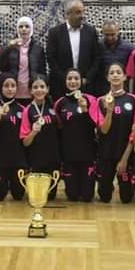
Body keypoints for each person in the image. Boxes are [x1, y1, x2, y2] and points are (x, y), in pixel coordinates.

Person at [95, 62, 135, 203]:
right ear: (107, 78)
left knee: (126, 198)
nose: (115, 75)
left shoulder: (133, 100)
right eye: (112, 73)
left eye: (118, 72)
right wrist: (109, 111)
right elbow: (104, 130)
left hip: (125, 152)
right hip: (105, 153)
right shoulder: (100, 101)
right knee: (104, 197)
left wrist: (124, 159)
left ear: (125, 77)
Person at [54, 68, 99, 202]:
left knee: (87, 197)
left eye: (76, 78)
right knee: (72, 196)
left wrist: (85, 110)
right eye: (70, 79)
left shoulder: (91, 99)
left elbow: (95, 125)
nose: (73, 81)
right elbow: (59, 127)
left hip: (87, 153)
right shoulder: (60, 103)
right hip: (69, 153)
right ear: (65, 81)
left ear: (81, 81)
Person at [46, 0, 101, 98]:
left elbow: (97, 57)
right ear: (68, 14)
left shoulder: (91, 32)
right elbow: (51, 59)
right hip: (61, 86)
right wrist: (66, 79)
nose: (82, 15)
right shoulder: (55, 33)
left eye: (83, 11)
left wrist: (87, 78)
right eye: (78, 12)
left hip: (85, 86)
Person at [19, 74, 61, 200]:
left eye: (42, 87)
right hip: (36, 160)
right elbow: (25, 142)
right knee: (38, 198)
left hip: (53, 159)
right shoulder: (27, 110)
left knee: (51, 197)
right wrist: (33, 132)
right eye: (35, 87)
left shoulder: (53, 107)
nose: (39, 90)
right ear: (30, 90)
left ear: (47, 89)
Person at [0, 73, 27, 201]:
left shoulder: (23, 109)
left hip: (18, 159)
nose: (10, 89)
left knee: (18, 195)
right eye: (6, 86)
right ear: (0, 88)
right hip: (0, 159)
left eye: (13, 86)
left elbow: (25, 138)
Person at [0, 16, 46, 105]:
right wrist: (8, 48)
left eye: (27, 26)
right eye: (21, 26)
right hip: (12, 92)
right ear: (17, 29)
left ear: (31, 29)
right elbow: (0, 66)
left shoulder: (38, 49)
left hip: (31, 93)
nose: (24, 29)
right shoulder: (9, 47)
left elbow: (42, 72)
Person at [96, 20, 134, 95]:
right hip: (102, 90)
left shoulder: (129, 48)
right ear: (102, 33)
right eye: (106, 35)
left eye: (112, 34)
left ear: (118, 31)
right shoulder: (97, 47)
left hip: (123, 89)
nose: (110, 38)